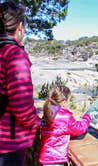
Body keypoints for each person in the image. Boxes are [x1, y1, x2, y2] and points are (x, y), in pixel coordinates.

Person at [0, 1, 41, 166]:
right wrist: (37, 122)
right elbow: (21, 106)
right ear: (20, 26)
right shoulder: (14, 54)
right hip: (8, 144)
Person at [39, 85, 92, 166]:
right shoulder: (64, 116)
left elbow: (58, 130)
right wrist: (87, 117)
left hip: (46, 155)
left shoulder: (49, 110)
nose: (69, 102)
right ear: (64, 101)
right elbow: (80, 128)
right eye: (69, 100)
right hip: (55, 159)